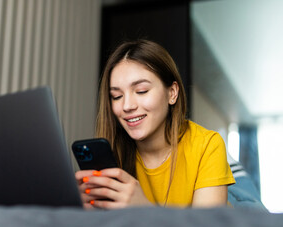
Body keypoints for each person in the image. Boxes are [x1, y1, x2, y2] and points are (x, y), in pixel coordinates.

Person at [75, 39, 235, 209]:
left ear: (172, 93)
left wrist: (144, 210)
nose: (127, 106)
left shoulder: (208, 145)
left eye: (141, 91)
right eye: (117, 96)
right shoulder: (114, 154)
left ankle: (234, 170)